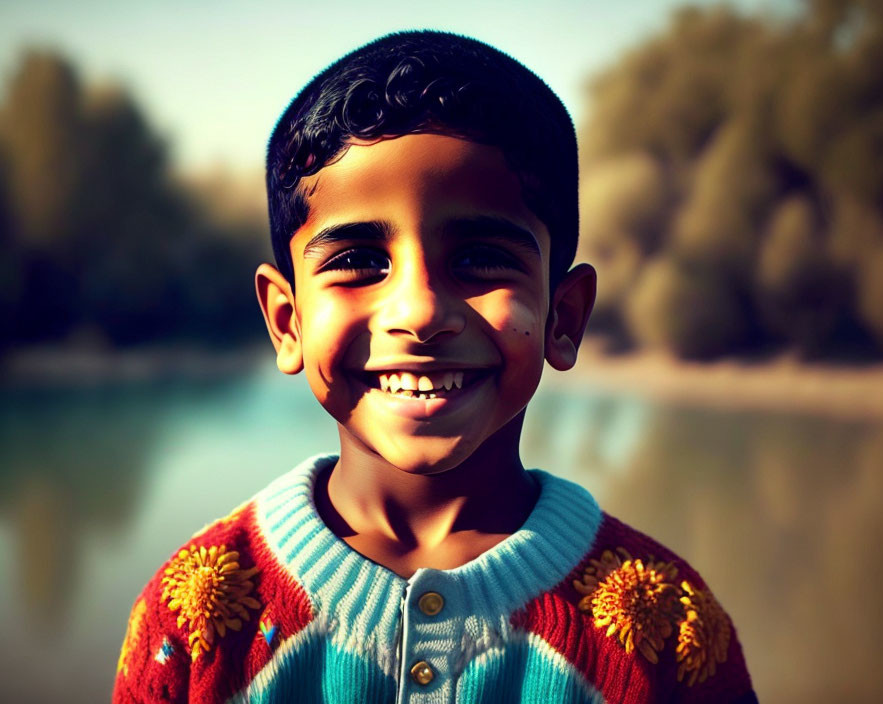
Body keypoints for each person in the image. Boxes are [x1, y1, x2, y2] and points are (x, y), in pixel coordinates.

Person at [112, 31, 757, 703]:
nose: (419, 311)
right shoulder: (195, 620)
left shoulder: (666, 626)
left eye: (479, 258)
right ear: (287, 321)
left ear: (563, 318)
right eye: (359, 260)